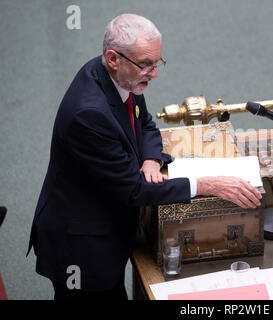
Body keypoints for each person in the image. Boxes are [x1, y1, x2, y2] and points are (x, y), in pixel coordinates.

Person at [27, 13, 261, 300]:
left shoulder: (120, 77)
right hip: (81, 248)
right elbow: (133, 189)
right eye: (146, 65)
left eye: (157, 62)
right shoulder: (88, 115)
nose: (154, 73)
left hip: (106, 226)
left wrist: (151, 158)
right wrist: (206, 185)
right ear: (113, 58)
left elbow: (145, 123)